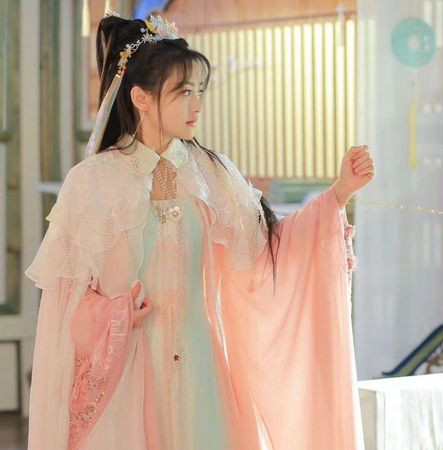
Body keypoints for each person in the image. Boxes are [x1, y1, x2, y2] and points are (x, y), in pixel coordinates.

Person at [26, 13, 373, 450]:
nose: (197, 105)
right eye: (183, 92)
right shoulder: (93, 180)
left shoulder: (212, 173)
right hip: (127, 373)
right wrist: (114, 316)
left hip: (202, 371)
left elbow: (268, 251)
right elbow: (65, 300)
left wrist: (339, 193)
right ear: (141, 97)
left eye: (200, 91)